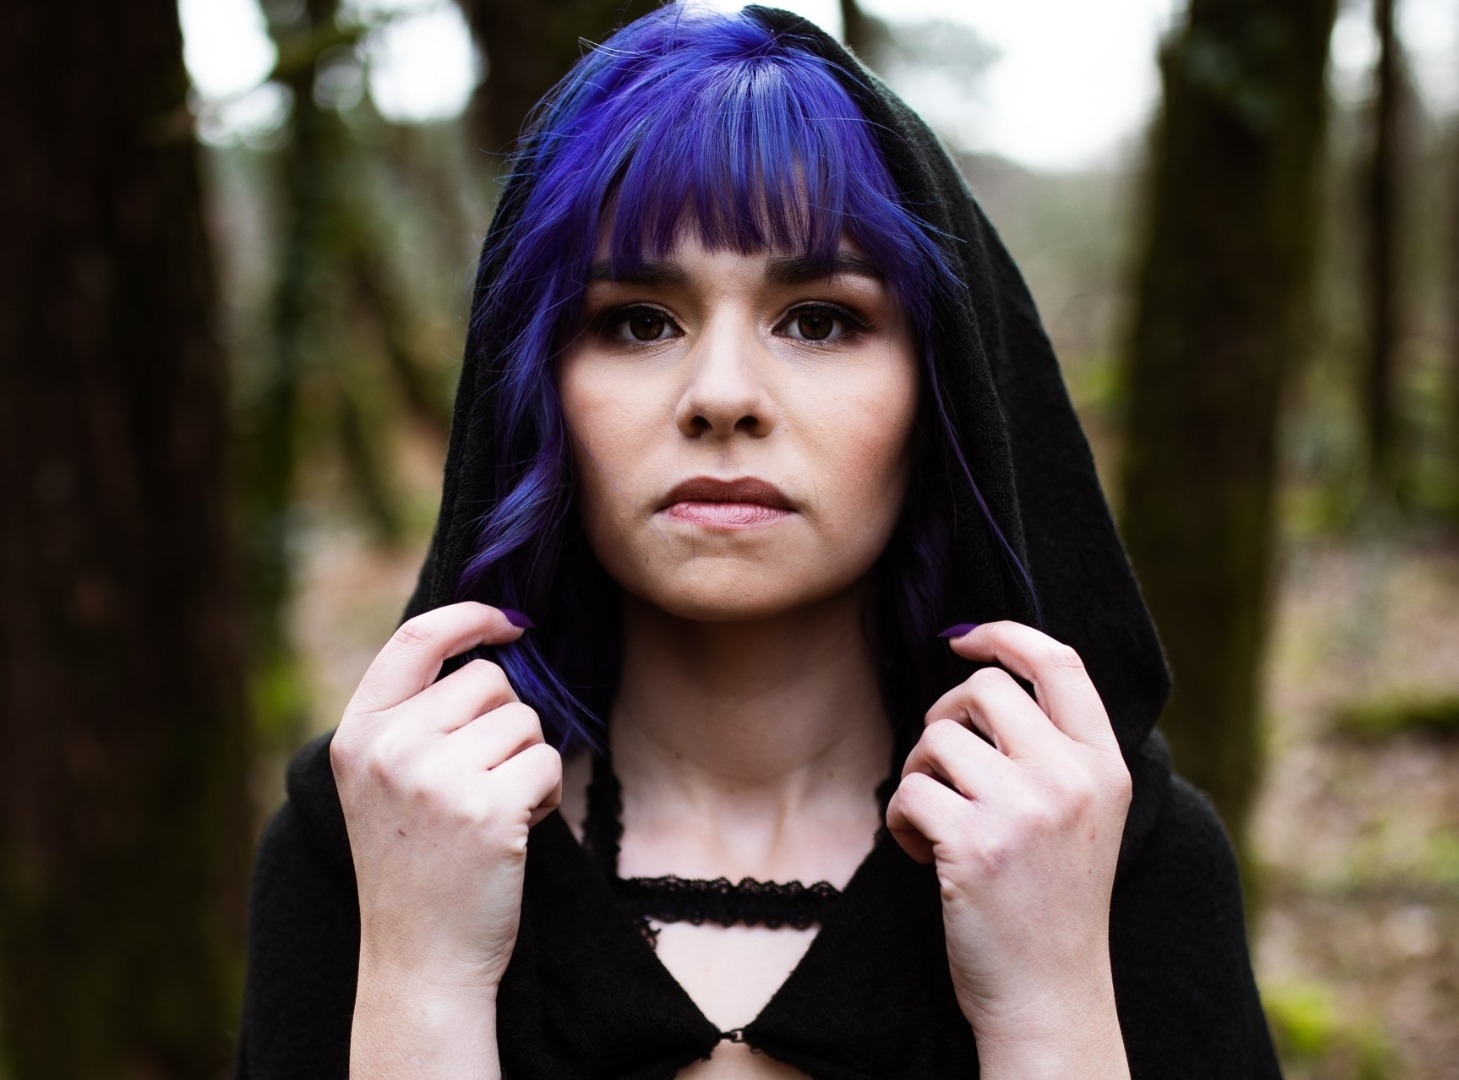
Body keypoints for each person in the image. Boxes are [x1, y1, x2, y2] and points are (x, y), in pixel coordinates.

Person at [235, 6, 1281, 1078]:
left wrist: (1051, 1001)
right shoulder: (379, 836)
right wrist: (422, 980)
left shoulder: (1100, 846)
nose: (722, 395)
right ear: (536, 388)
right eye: (637, 320)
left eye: (819, 318)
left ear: (943, 391)